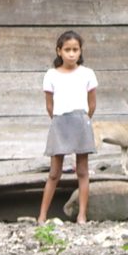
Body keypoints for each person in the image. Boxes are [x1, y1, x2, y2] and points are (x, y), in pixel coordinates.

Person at [37, 30, 97, 225]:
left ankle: (82, 215)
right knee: (54, 172)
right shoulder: (51, 75)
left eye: (75, 49)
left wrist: (84, 119)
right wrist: (57, 120)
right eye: (67, 50)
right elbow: (49, 104)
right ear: (59, 51)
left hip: (81, 121)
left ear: (80, 51)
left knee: (82, 170)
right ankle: (42, 216)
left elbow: (92, 103)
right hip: (60, 122)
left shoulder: (87, 73)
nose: (71, 54)